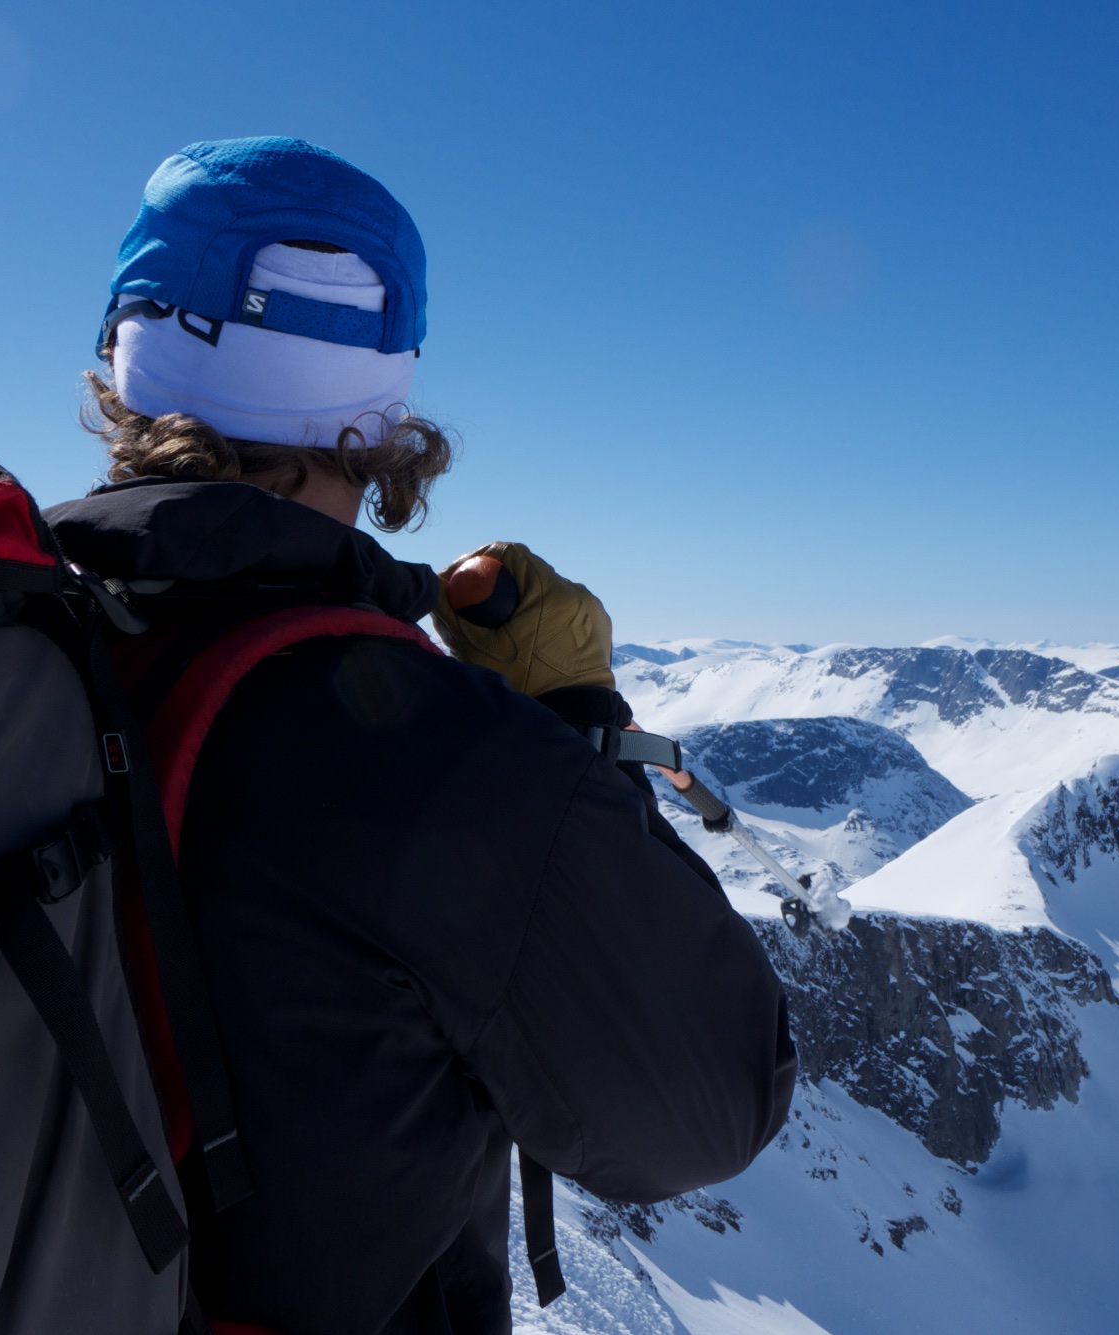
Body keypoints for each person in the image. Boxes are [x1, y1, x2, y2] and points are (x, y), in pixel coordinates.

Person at [45, 137, 795, 1335]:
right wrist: (570, 723)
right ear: (382, 408)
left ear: (124, 359)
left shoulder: (14, 643)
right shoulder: (439, 760)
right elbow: (708, 1106)